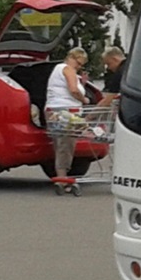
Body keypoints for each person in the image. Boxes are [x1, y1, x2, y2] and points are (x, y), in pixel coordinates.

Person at [45, 47, 90, 180]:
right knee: (66, 144)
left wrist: (82, 83)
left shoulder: (58, 70)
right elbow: (73, 90)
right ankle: (62, 178)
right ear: (71, 57)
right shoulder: (67, 69)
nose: (79, 67)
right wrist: (84, 100)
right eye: (78, 63)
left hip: (54, 111)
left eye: (81, 65)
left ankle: (61, 175)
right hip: (65, 111)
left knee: (60, 144)